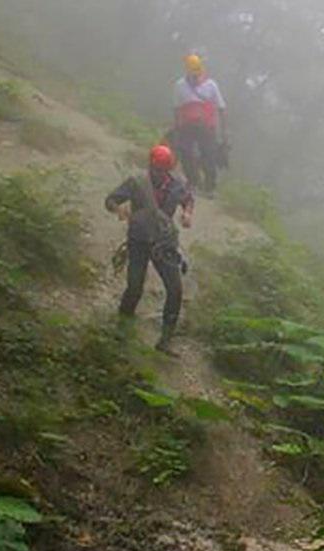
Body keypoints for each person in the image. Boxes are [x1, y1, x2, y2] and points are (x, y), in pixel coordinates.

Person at [105, 144, 193, 354]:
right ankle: (122, 329)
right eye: (157, 169)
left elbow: (188, 199)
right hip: (139, 240)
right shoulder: (137, 182)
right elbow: (110, 200)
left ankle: (165, 339)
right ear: (151, 166)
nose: (159, 173)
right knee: (135, 286)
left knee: (175, 290)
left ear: (169, 169)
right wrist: (119, 209)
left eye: (163, 169)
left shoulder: (176, 185)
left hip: (164, 243)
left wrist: (187, 213)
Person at [173, 54, 227, 195]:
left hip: (207, 127)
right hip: (186, 126)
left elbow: (221, 107)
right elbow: (177, 108)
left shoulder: (211, 85)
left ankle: (210, 187)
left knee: (209, 155)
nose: (196, 77)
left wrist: (224, 131)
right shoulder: (180, 85)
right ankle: (193, 181)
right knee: (185, 152)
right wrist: (177, 126)